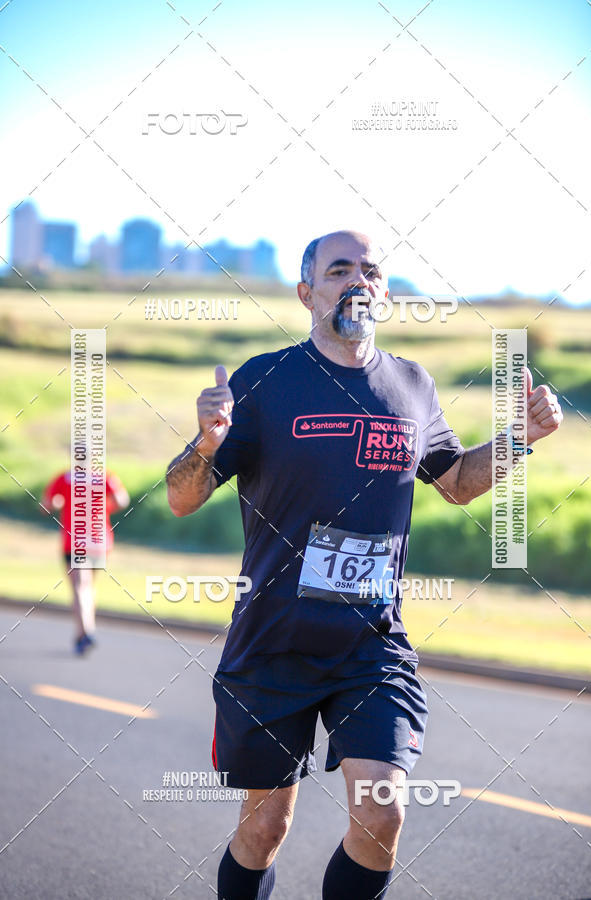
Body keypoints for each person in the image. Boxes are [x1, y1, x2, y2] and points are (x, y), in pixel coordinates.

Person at [165, 230, 563, 900]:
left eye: (371, 270)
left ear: (384, 290)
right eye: (339, 269)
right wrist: (205, 445)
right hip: (274, 641)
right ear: (306, 293)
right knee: (265, 828)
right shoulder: (265, 380)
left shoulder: (411, 385)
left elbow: (456, 482)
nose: (358, 280)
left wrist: (519, 438)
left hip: (371, 644)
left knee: (383, 815)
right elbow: (181, 499)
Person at [42, 469, 129, 654]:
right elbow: (122, 500)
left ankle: (86, 632)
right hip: (99, 541)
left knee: (80, 587)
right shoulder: (104, 476)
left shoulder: (64, 478)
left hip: (76, 541)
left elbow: (46, 506)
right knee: (89, 586)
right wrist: (105, 508)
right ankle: (83, 633)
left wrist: (59, 504)